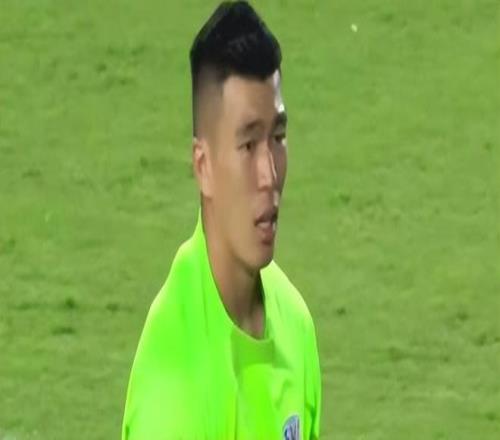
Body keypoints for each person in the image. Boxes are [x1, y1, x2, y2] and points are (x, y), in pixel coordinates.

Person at [121, 2, 321, 439]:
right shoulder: (174, 395)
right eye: (248, 145)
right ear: (204, 166)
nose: (269, 174)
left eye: (278, 137)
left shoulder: (294, 323)